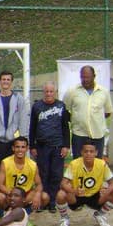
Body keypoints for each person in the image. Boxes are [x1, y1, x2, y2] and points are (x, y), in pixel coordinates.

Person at [56, 143, 113, 226]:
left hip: (95, 195)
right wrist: (73, 191)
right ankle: (64, 218)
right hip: (77, 196)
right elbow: (63, 183)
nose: (88, 154)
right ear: (81, 152)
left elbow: (112, 183)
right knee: (60, 194)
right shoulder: (74, 164)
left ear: (96, 153)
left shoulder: (101, 164)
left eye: (91, 151)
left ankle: (100, 214)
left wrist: (107, 192)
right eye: (86, 151)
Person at [0, 71, 30, 196]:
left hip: (12, 141)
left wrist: (23, 138)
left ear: (11, 82)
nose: (5, 82)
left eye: (8, 79)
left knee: (11, 171)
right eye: (3, 79)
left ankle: (12, 198)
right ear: (0, 81)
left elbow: (22, 119)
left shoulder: (19, 99)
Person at [29, 83, 70, 212]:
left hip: (57, 146)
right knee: (43, 174)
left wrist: (66, 145)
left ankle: (52, 202)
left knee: (56, 175)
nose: (49, 94)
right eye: (46, 91)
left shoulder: (61, 106)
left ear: (55, 92)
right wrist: (32, 145)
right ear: (43, 92)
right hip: (42, 146)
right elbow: (32, 127)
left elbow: (65, 127)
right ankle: (43, 200)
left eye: (51, 91)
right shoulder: (37, 106)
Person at [64, 65, 113, 159]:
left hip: (97, 134)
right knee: (78, 163)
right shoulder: (72, 91)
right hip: (79, 134)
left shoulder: (103, 92)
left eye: (88, 77)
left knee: (96, 164)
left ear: (94, 76)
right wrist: (76, 119)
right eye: (83, 77)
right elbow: (64, 110)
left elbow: (108, 112)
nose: (85, 80)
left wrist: (95, 118)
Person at [0, 137, 46, 214]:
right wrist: (13, 195)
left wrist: (38, 194)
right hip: (9, 193)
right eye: (17, 147)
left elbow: (39, 184)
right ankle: (3, 214)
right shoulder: (5, 162)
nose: (20, 150)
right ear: (13, 148)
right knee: (0, 197)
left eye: (23, 147)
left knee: (44, 197)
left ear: (27, 148)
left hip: (25, 195)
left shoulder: (33, 165)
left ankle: (25, 214)